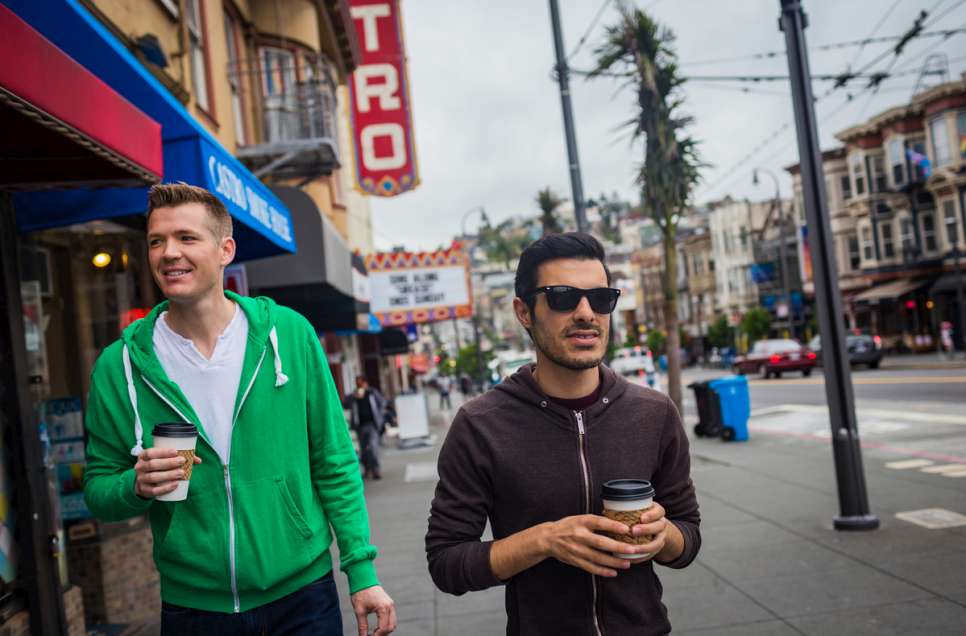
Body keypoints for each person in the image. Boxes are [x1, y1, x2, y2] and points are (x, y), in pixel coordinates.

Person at [83, 183, 395, 635]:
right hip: (194, 607)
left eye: (187, 238)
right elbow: (98, 490)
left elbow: (334, 461)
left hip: (303, 595)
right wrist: (135, 485)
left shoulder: (288, 335)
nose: (169, 253)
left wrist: (361, 571)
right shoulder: (121, 366)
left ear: (225, 249)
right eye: (157, 241)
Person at [425, 232, 700, 635]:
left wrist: (663, 535)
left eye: (601, 299)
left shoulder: (653, 412)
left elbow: (688, 537)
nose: (587, 313)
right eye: (562, 297)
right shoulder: (480, 424)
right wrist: (546, 540)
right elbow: (447, 563)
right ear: (524, 312)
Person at [345, 375, 388, 480]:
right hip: (360, 427)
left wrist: (380, 417)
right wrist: (353, 396)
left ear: (365, 383)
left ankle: (376, 470)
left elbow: (383, 403)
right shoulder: (354, 396)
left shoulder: (372, 393)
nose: (359, 385)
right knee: (364, 451)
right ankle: (367, 468)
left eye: (360, 383)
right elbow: (345, 404)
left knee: (373, 448)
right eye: (357, 383)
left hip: (372, 425)